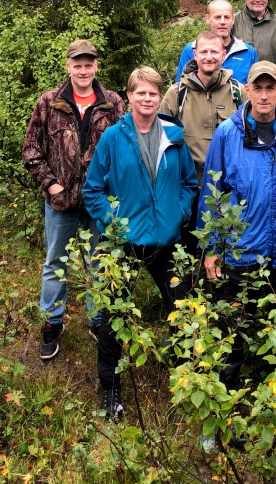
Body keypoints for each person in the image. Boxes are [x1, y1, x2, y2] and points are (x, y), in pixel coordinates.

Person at [83, 66, 199, 421]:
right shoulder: (114, 139)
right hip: (125, 245)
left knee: (181, 313)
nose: (147, 99)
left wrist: (178, 213)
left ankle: (185, 384)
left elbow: (190, 184)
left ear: (158, 96)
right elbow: (93, 189)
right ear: (129, 96)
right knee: (112, 316)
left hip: (166, 242)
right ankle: (110, 391)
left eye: (152, 93)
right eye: (140, 93)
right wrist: (115, 225)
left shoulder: (174, 137)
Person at [197, 61, 276, 393]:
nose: (263, 95)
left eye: (269, 88)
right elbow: (212, 194)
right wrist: (213, 250)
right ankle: (227, 407)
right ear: (247, 90)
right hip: (242, 254)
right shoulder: (228, 133)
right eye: (256, 88)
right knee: (232, 336)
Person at [22, 39, 125, 363]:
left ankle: (98, 321)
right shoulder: (49, 103)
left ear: (96, 66)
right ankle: (51, 323)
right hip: (60, 203)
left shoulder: (112, 103)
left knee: (98, 262)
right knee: (56, 264)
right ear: (68, 66)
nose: (83, 69)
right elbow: (31, 151)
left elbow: (125, 150)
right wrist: (50, 185)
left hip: (98, 204)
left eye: (88, 63)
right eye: (77, 64)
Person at [161, 31, 243, 180]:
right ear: (195, 54)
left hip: (228, 183)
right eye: (204, 51)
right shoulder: (176, 93)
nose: (209, 57)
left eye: (214, 51)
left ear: (223, 55)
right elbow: (161, 139)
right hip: (186, 183)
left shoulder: (238, 92)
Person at [176, 0, 259, 81]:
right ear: (208, 19)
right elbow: (180, 86)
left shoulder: (248, 52)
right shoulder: (191, 49)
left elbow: (255, 88)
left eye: (226, 17)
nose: (222, 22)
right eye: (218, 17)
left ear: (233, 20)